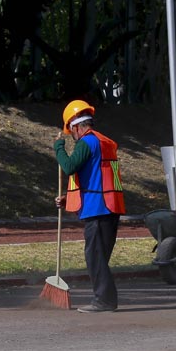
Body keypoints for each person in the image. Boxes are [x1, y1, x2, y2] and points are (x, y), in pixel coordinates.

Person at [54, 99, 126, 313]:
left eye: (71, 131)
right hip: (109, 207)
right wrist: (70, 198)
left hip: (98, 209)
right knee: (99, 257)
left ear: (76, 126)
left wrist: (58, 147)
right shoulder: (104, 142)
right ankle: (106, 299)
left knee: (94, 256)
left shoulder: (87, 142)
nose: (72, 136)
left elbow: (69, 166)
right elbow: (96, 176)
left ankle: (104, 301)